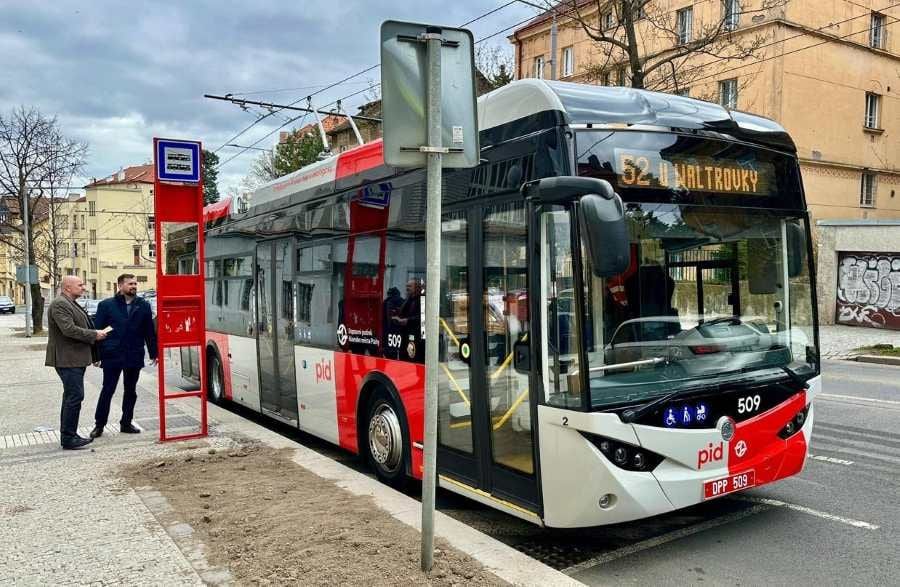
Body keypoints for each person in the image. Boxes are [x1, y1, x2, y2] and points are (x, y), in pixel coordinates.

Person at [90, 274, 157, 438]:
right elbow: (97, 331)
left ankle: (126, 423)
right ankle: (99, 425)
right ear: (120, 286)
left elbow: (149, 331)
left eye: (135, 284)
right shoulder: (106, 305)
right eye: (130, 284)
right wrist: (95, 355)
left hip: (134, 354)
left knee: (131, 391)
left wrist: (154, 353)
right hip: (112, 354)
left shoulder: (144, 305)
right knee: (107, 390)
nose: (133, 286)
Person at [45, 275, 108, 450]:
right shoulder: (60, 304)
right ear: (67, 288)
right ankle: (68, 437)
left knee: (72, 396)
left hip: (73, 358)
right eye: (80, 285)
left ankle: (69, 434)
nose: (84, 287)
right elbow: (69, 330)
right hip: (67, 359)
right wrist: (94, 334)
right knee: (74, 396)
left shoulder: (70, 302)